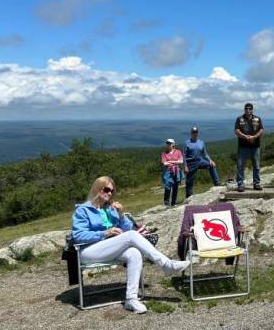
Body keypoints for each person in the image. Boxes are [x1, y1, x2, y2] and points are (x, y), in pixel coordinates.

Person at [71, 176, 190, 314]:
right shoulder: (83, 210)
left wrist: (120, 214)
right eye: (107, 189)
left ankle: (131, 299)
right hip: (89, 251)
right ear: (98, 189)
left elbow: (129, 229)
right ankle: (166, 265)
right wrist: (105, 232)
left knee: (134, 253)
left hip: (109, 248)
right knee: (132, 237)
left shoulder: (110, 209)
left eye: (112, 191)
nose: (110, 193)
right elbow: (78, 235)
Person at [183, 126, 221, 198]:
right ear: (191, 133)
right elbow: (184, 155)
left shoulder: (201, 142)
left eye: (196, 132)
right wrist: (185, 166)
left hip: (200, 161)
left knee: (212, 166)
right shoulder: (187, 143)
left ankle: (217, 183)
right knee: (189, 181)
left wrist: (210, 160)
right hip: (191, 163)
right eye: (193, 132)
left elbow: (205, 154)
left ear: (198, 133)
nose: (195, 134)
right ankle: (188, 196)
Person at [234, 103, 264, 192]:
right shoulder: (239, 119)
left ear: (252, 110)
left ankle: (256, 183)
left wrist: (254, 137)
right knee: (240, 166)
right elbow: (236, 130)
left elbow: (261, 130)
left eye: (249, 108)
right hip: (243, 146)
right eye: (246, 108)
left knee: (256, 166)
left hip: (255, 146)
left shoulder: (257, 119)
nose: (248, 110)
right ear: (244, 109)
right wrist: (246, 137)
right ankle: (240, 184)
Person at [161, 139, 183, 207]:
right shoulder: (164, 153)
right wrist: (175, 161)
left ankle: (174, 202)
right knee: (168, 187)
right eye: (167, 143)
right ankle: (167, 202)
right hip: (168, 172)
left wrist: (170, 162)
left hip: (176, 171)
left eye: (169, 143)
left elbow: (181, 161)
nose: (168, 144)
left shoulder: (178, 152)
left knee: (175, 187)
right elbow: (164, 163)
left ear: (173, 144)